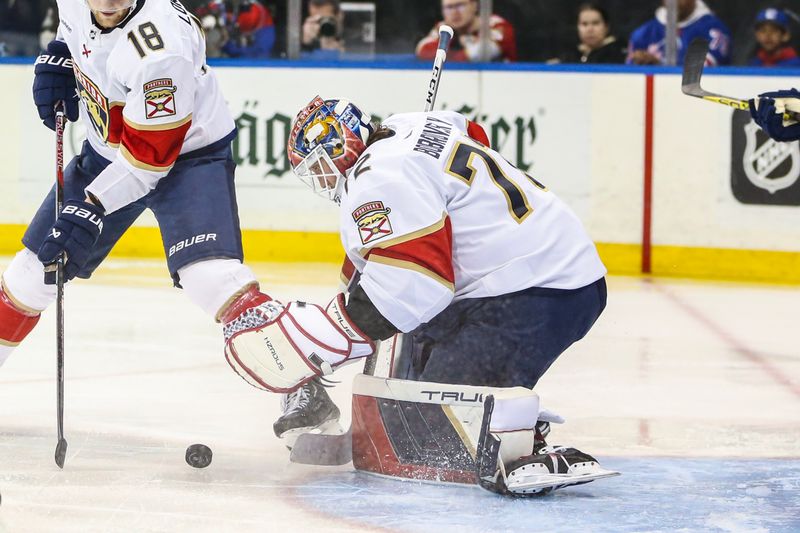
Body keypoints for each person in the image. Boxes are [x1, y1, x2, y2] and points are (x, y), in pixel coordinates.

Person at [232, 95, 611, 495]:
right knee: (411, 381)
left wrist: (327, 340)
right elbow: (472, 133)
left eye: (320, 167)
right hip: (532, 273)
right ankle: (497, 406)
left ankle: (516, 433)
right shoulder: (414, 126)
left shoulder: (378, 177)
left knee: (431, 435)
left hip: (538, 290)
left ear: (342, 149)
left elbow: (418, 285)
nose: (322, 180)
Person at [0, 0, 279, 388]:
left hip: (187, 157)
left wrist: (91, 207)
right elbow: (74, 28)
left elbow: (148, 162)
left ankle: (302, 384)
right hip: (107, 152)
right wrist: (62, 52)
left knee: (211, 280)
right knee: (30, 275)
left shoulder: (161, 47)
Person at [627, 0, 731, 66]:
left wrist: (660, 67)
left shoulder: (714, 30)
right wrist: (638, 62)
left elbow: (707, 70)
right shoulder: (643, 33)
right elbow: (628, 73)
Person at [416, 0, 517, 63]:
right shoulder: (444, 27)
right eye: (449, 7)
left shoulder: (497, 25)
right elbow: (423, 50)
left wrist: (448, 54)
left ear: (474, 5)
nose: (455, 12)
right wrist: (457, 43)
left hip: (503, 86)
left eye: (460, 5)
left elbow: (478, 54)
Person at [558, 2, 626, 64]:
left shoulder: (619, 53)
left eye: (595, 23)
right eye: (584, 24)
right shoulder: (568, 56)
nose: (590, 29)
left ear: (606, 27)